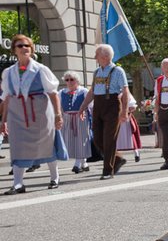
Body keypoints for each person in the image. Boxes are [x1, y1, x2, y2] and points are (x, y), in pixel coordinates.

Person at [0, 34, 68, 194]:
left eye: (27, 46)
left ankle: (54, 177)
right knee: (17, 147)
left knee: (46, 144)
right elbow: (7, 97)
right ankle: (18, 184)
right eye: (20, 46)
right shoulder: (8, 72)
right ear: (14, 50)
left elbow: (53, 93)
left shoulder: (41, 69)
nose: (24, 48)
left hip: (40, 112)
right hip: (17, 114)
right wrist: (3, 120)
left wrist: (58, 114)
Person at [78, 44, 131, 179]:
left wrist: (124, 111)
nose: (94, 57)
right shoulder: (96, 72)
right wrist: (83, 107)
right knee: (97, 139)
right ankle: (117, 158)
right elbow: (92, 91)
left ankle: (108, 171)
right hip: (98, 106)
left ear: (105, 57)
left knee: (109, 140)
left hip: (112, 105)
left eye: (97, 55)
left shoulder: (118, 71)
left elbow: (125, 91)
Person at [59, 71, 92, 173]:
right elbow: (58, 107)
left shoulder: (84, 91)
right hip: (67, 118)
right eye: (67, 80)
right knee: (71, 141)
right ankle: (84, 163)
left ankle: (77, 164)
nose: (69, 82)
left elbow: (91, 105)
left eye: (71, 79)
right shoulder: (61, 92)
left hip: (81, 118)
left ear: (77, 80)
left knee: (81, 140)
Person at [115, 92, 142, 162]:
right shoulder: (112, 92)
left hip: (126, 118)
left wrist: (127, 110)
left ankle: (136, 153)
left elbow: (133, 107)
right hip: (116, 118)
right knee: (115, 137)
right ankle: (115, 156)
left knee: (131, 135)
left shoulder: (126, 93)